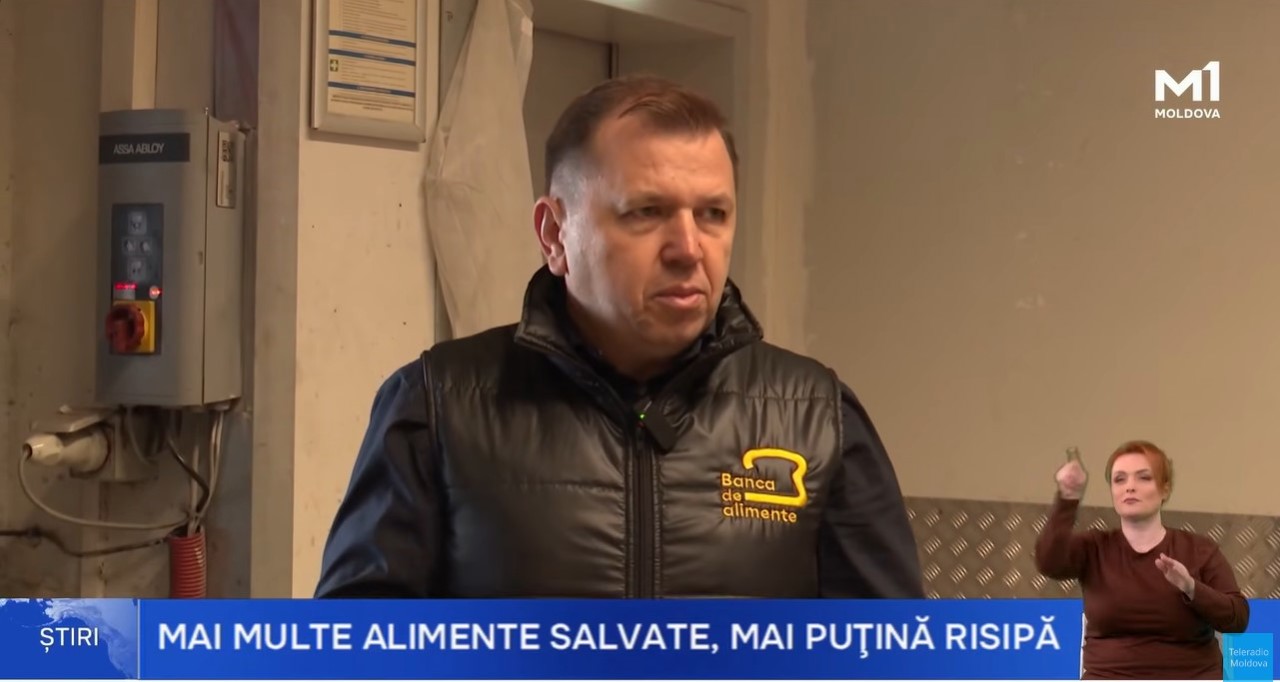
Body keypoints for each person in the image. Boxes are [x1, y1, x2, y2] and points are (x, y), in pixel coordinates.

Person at [314, 75, 923, 599]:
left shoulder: (816, 416)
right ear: (554, 234)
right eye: (646, 212)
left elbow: (891, 655)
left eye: (713, 214)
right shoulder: (439, 406)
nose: (689, 249)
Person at [1034, 440, 1249, 679]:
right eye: (1120, 479)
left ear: (1165, 489)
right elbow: (1048, 562)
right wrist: (1068, 497)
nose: (1130, 487)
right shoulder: (1094, 547)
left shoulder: (1198, 550)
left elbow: (1238, 620)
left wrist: (1191, 588)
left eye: (1143, 478)